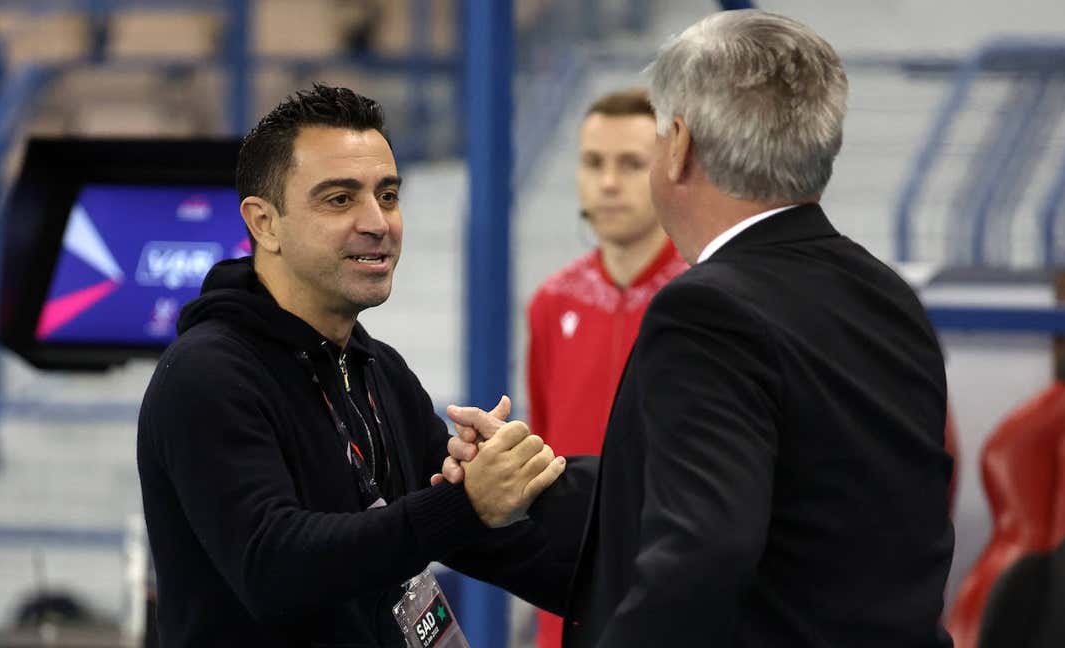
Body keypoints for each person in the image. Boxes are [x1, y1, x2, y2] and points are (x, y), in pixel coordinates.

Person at [443, 10, 954, 647]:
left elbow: (702, 553)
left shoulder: (707, 311)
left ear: (679, 145)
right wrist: (542, 482)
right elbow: (797, 497)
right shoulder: (885, 294)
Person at [136, 84, 566, 647]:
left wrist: (512, 482)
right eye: (340, 199)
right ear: (264, 223)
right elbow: (273, 566)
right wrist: (464, 502)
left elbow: (495, 542)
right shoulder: (206, 375)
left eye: (387, 196)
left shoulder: (377, 370)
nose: (377, 222)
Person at [525, 87, 687, 648]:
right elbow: (546, 446)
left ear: (670, 170)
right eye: (594, 163)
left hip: (671, 580)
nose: (609, 183)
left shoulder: (700, 302)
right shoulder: (552, 301)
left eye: (631, 164)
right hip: (571, 586)